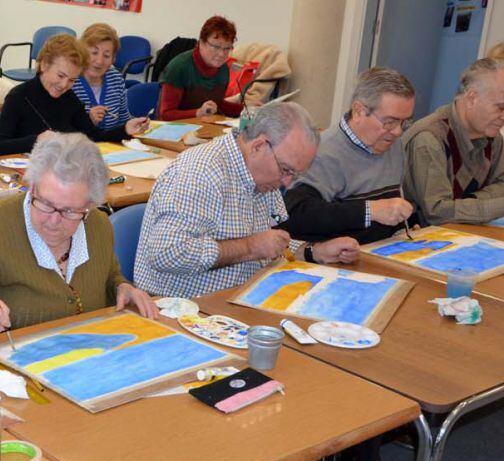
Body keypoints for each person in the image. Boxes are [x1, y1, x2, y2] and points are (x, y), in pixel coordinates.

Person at [0, 133, 158, 339]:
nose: (53, 220)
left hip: (83, 355)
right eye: (46, 204)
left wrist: (122, 288)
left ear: (90, 205)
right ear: (32, 188)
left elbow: (109, 276)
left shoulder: (98, 226)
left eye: (69, 211)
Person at [133, 102, 360, 298]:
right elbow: (166, 253)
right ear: (259, 146)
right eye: (285, 170)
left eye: (295, 174)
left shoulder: (262, 174)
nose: (287, 183)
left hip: (240, 296)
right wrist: (250, 247)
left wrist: (314, 252)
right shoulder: (202, 172)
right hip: (180, 307)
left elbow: (268, 245)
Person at [282, 68, 417, 244]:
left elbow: (391, 206)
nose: (398, 131)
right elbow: (297, 214)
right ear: (358, 111)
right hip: (335, 262)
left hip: (379, 252)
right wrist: (369, 211)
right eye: (390, 122)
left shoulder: (392, 144)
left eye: (404, 122)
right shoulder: (323, 152)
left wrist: (402, 227)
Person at [0, 34, 150, 156]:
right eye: (60, 76)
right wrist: (36, 140)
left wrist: (125, 130)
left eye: (72, 80)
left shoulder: (69, 98)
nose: (64, 85)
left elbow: (94, 136)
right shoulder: (18, 96)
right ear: (44, 65)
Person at [403, 57, 504, 225]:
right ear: (472, 98)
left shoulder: (492, 136)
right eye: (500, 108)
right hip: (417, 238)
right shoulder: (429, 139)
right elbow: (438, 212)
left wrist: (469, 202)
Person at [157, 16, 245, 121]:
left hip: (203, 127)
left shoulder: (223, 69)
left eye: (227, 48)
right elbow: (166, 115)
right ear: (201, 43)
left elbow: (217, 104)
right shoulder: (179, 67)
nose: (222, 54)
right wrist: (198, 112)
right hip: (172, 131)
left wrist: (248, 110)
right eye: (216, 47)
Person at [72, 23, 133, 131]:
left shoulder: (116, 80)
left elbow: (124, 121)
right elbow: (59, 129)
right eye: (94, 53)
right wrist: (87, 121)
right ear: (82, 52)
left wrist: (133, 126)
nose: (99, 61)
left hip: (112, 146)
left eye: (106, 56)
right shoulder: (70, 80)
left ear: (113, 58)